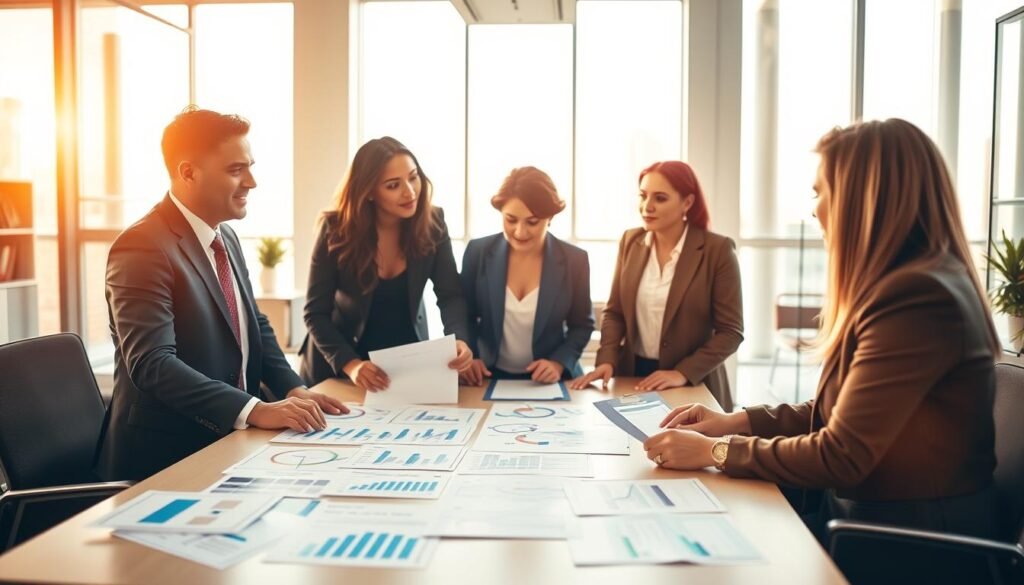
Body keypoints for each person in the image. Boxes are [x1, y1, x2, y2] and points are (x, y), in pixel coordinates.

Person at [644, 119, 1000, 539]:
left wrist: (717, 451)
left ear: (864, 197)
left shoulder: (918, 299)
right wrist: (730, 422)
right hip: (867, 516)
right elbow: (831, 416)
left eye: (820, 191)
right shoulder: (910, 283)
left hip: (909, 542)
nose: (814, 209)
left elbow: (841, 454)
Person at [98, 107, 345, 482]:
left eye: (250, 166)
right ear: (188, 172)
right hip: (166, 459)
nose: (252, 182)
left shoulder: (224, 236)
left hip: (228, 444)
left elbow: (253, 325)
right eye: (236, 170)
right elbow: (153, 364)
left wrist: (293, 388)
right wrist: (254, 409)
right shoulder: (143, 247)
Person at [299, 137, 473, 391]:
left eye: (413, 177)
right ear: (368, 191)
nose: (410, 192)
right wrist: (352, 365)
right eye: (393, 185)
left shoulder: (434, 222)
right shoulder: (335, 229)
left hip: (403, 365)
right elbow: (315, 313)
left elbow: (450, 295)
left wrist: (458, 340)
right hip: (339, 366)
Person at [569, 161, 743, 411]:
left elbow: (731, 331)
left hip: (692, 383)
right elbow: (615, 311)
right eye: (643, 196)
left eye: (660, 198)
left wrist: (682, 372)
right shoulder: (631, 241)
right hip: (634, 377)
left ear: (687, 202)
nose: (647, 206)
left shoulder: (717, 250)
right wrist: (607, 360)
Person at [459, 167, 594, 385]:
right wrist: (471, 356)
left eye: (532, 222)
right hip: (487, 375)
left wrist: (558, 363)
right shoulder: (478, 252)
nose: (520, 232)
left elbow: (582, 325)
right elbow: (464, 314)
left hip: (550, 380)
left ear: (550, 217)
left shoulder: (574, 260)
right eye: (511, 220)